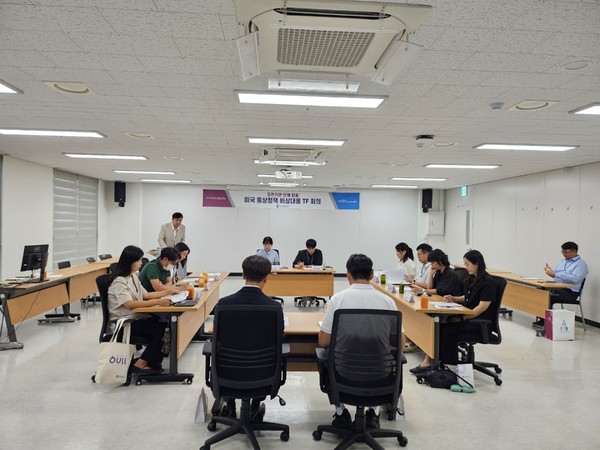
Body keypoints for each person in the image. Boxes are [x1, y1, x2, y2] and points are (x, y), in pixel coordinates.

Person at [319, 253, 401, 430]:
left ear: (348, 274)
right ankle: (373, 413)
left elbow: (324, 342)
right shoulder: (388, 302)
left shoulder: (337, 300)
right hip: (381, 376)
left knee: (325, 357)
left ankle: (341, 413)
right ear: (371, 275)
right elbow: (400, 342)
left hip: (343, 375)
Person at [216, 255, 282, 422]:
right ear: (266, 278)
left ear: (243, 275)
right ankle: (254, 408)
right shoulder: (274, 307)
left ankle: (230, 407)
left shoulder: (224, 304)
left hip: (228, 373)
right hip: (263, 375)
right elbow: (279, 338)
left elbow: (218, 339)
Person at [410, 249, 498, 374]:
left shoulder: (488, 282)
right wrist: (455, 298)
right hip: (469, 316)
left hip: (479, 322)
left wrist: (462, 318)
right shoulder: (472, 279)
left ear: (477, 263)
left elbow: (481, 308)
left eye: (468, 264)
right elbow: (468, 298)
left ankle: (440, 364)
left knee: (442, 329)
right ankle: (438, 362)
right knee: (438, 325)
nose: (466, 267)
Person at [107, 245, 180, 372]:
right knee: (162, 330)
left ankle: (152, 362)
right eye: (138, 261)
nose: (141, 263)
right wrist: (157, 302)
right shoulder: (119, 281)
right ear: (129, 262)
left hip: (136, 318)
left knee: (165, 324)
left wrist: (169, 292)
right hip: (125, 323)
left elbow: (146, 295)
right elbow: (129, 304)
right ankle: (141, 363)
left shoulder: (133, 277)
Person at [534, 241, 588, 326]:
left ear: (574, 251)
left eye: (566, 252)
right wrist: (550, 271)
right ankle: (542, 319)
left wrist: (555, 274)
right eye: (562, 251)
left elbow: (575, 279)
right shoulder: (563, 262)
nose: (564, 254)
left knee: (547, 295)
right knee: (540, 291)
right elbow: (556, 275)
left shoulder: (581, 264)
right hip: (558, 288)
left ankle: (546, 322)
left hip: (570, 292)